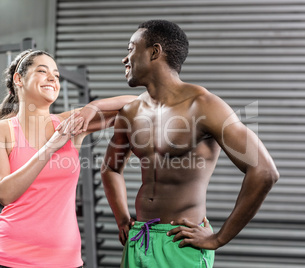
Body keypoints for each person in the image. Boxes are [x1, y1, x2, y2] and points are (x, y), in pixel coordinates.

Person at [101, 20, 279, 268]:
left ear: (154, 52)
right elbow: (110, 169)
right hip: (139, 239)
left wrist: (219, 238)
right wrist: (122, 218)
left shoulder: (203, 105)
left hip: (181, 244)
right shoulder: (129, 112)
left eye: (131, 48)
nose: (125, 59)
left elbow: (265, 172)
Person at [0, 49, 136, 268]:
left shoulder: (70, 124)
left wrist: (92, 108)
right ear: (19, 79)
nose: (52, 78)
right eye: (42, 71)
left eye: (56, 74)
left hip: (66, 261)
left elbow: (137, 102)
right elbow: (5, 194)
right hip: (10, 258)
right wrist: (53, 144)